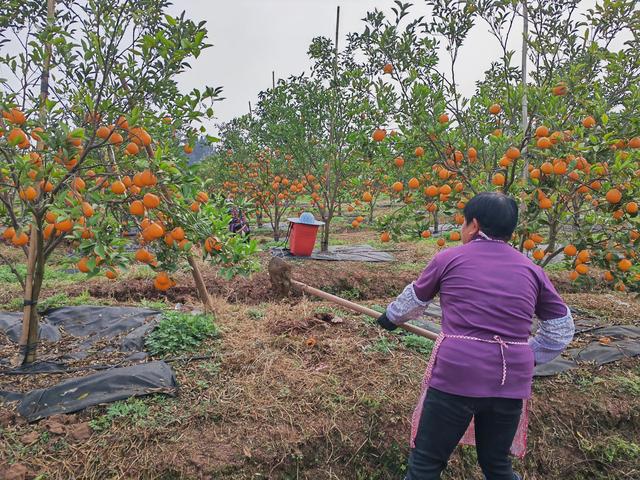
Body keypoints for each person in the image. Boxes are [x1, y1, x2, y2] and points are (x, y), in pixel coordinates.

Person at [377, 192, 574, 480]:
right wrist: (527, 355)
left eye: (463, 223)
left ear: (474, 225)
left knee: (426, 464)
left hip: (458, 375)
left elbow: (414, 300)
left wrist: (390, 318)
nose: (461, 229)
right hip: (511, 380)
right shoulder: (533, 270)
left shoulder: (450, 258)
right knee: (496, 465)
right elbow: (561, 329)